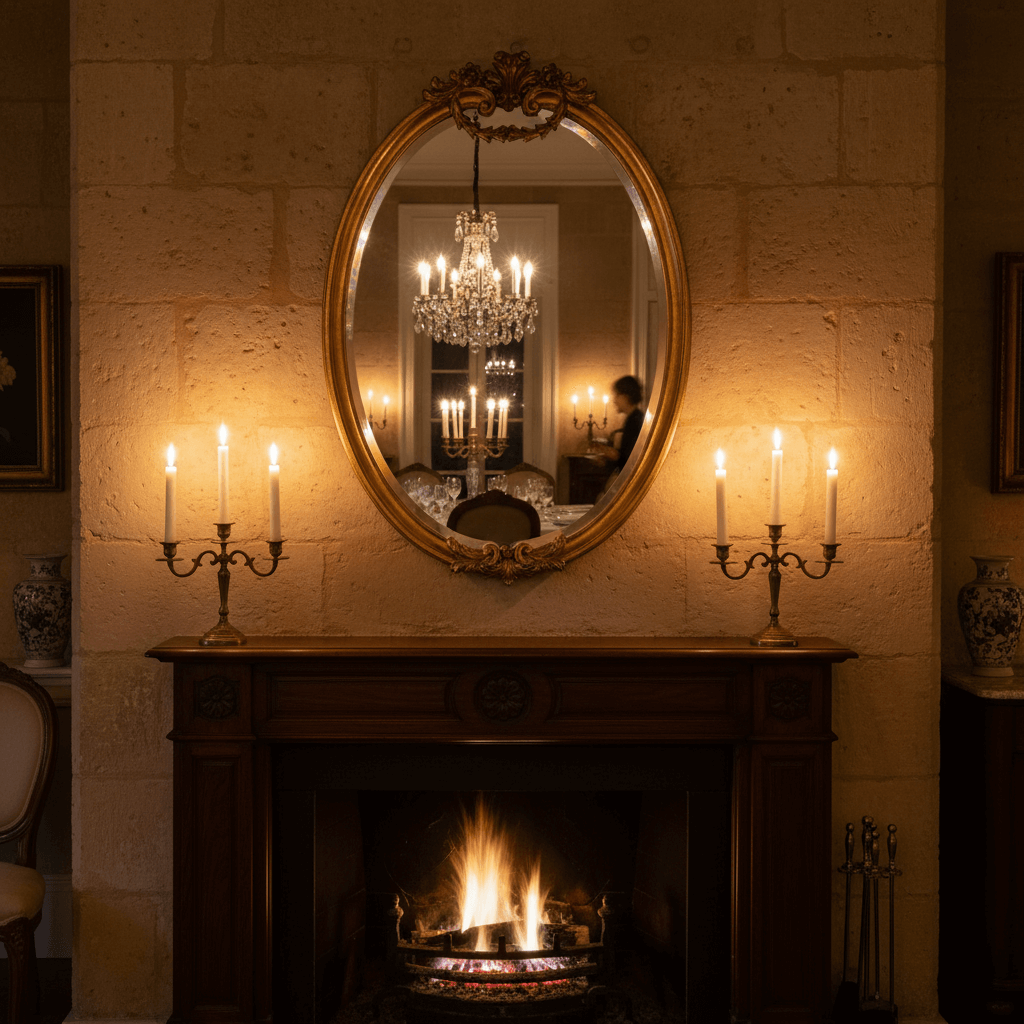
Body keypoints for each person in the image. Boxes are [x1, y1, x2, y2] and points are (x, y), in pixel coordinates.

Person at [592, 375, 643, 472]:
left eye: (617, 395)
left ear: (626, 396)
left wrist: (612, 455)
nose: (614, 400)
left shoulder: (635, 421)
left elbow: (630, 459)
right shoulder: (633, 418)